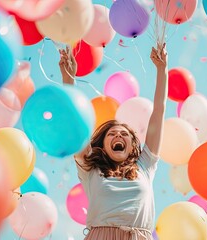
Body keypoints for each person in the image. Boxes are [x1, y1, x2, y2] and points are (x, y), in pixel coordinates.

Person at [59, 42, 168, 240]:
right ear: (103, 145)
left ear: (133, 145)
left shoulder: (145, 165)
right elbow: (75, 123)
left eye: (124, 134)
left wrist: (162, 70)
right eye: (111, 134)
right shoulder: (90, 167)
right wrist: (69, 78)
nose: (118, 135)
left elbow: (158, 112)